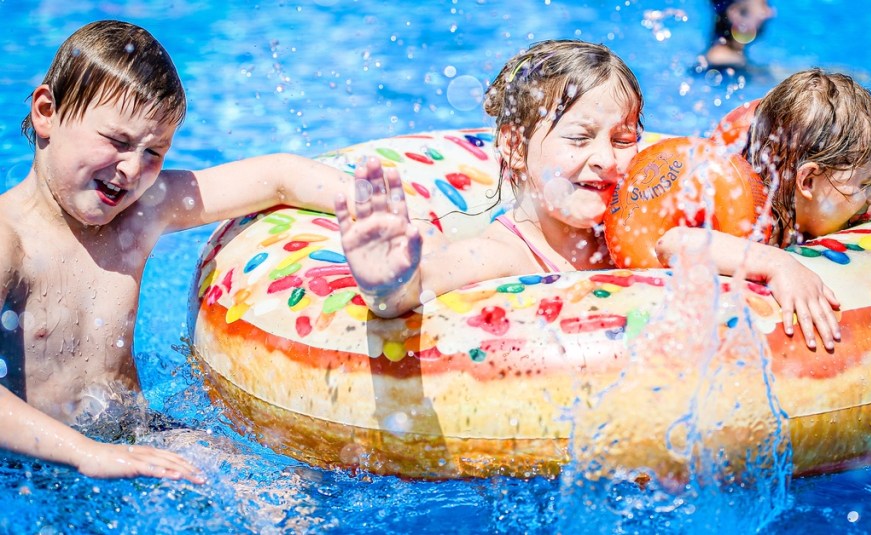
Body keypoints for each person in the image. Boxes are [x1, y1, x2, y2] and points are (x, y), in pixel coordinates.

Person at [0, 20, 347, 482]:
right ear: (47, 112)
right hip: (32, 467)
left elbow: (277, 176)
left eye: (154, 152)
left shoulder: (140, 215)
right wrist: (86, 454)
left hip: (139, 436)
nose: (131, 169)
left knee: (292, 488)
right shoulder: (11, 241)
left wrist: (371, 207)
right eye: (119, 141)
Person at [655, 68, 871, 351]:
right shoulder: (750, 216)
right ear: (808, 181)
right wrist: (777, 265)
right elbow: (672, 242)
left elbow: (844, 172)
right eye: (866, 185)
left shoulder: (793, 178)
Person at [334, 40, 642, 317]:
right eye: (579, 138)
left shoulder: (639, 231)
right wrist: (386, 285)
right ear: (514, 146)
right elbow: (416, 286)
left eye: (623, 140)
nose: (606, 159)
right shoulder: (501, 256)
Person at [699, 0, 775, 72]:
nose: (770, 13)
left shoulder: (734, 61)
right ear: (736, 14)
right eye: (763, 5)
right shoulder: (721, 61)